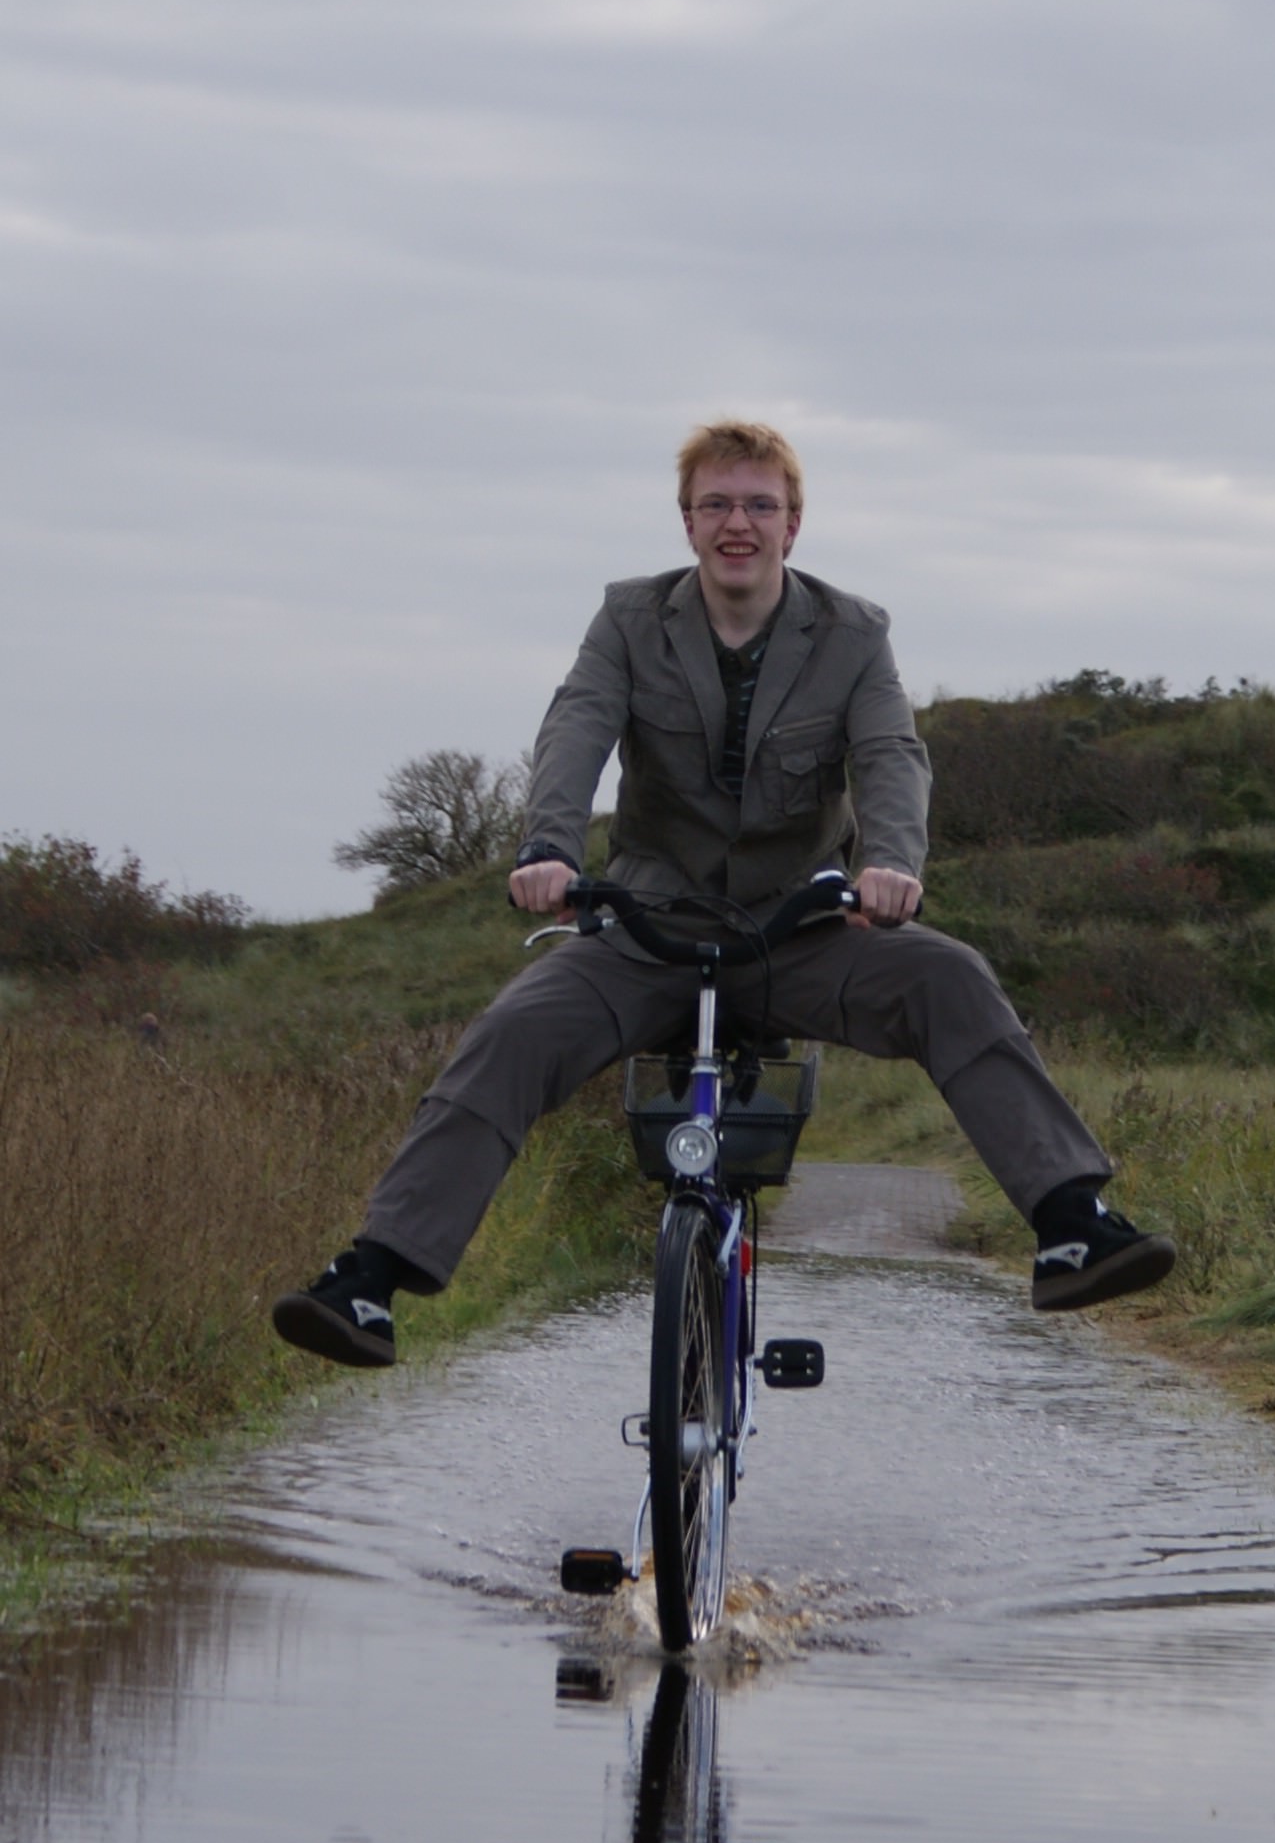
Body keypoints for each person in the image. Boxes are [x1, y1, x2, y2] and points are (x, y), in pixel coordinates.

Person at [273, 418, 1175, 1368]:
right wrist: (548, 850)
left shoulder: (854, 634)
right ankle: (372, 1278)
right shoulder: (628, 620)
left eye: (759, 505)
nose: (737, 523)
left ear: (793, 524)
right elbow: (576, 728)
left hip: (800, 932)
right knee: (512, 1035)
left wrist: (893, 866)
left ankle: (1071, 1224)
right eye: (716, 505)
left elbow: (890, 756)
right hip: (648, 930)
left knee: (950, 980)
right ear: (687, 522)